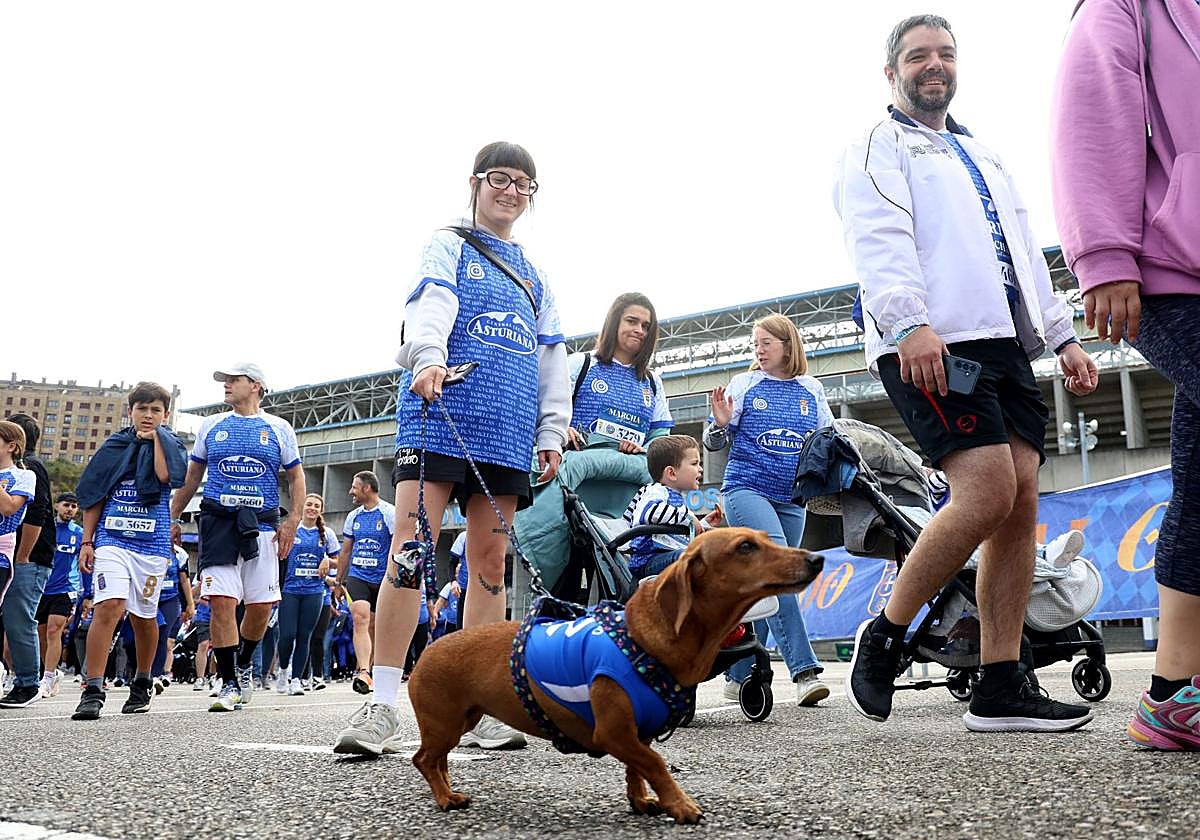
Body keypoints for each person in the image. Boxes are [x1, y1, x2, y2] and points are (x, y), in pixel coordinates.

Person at [833, 14, 1100, 732]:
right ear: (892, 73)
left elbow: (1020, 250)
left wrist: (1063, 335)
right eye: (918, 56)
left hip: (1006, 345)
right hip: (932, 341)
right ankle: (887, 634)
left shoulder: (984, 155)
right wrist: (907, 322)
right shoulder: (876, 147)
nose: (934, 65)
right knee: (983, 492)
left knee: (1018, 505)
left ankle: (1000, 681)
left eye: (945, 55)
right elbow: (878, 239)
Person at [333, 140, 570, 755]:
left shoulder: (537, 276)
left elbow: (551, 359)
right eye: (500, 178)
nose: (511, 190)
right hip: (440, 413)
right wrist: (429, 356)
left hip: (507, 431)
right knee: (409, 553)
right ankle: (382, 703)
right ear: (474, 182)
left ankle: (482, 703)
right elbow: (431, 303)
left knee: (489, 566)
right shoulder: (448, 244)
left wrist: (550, 429)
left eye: (524, 183)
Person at [1050, 0, 1200, 749]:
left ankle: (1173, 695)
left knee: (1199, 487)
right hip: (1176, 272)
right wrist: (1104, 254)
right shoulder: (1125, 6)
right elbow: (1093, 116)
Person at [704, 314, 834, 706]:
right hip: (746, 490)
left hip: (793, 500)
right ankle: (805, 672)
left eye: (766, 343)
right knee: (780, 574)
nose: (758, 350)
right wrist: (720, 424)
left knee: (761, 586)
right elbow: (712, 442)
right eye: (755, 343)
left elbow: (828, 439)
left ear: (788, 346)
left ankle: (741, 670)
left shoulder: (811, 389)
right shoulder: (745, 384)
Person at [170, 363, 305, 713]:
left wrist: (292, 521)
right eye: (224, 381)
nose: (226, 386)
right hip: (217, 521)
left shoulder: (278, 428)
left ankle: (243, 662)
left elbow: (296, 478)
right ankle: (228, 681)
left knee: (260, 607)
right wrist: (171, 516)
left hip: (261, 524)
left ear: (256, 386)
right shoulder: (211, 425)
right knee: (221, 601)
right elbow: (192, 476)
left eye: (233, 380)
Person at [71, 382, 188, 719]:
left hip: (151, 546)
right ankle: (93, 688)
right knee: (109, 606)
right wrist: (87, 541)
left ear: (165, 415)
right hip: (111, 540)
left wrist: (157, 441)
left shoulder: (171, 443)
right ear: (130, 411)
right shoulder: (115, 445)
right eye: (142, 409)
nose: (148, 415)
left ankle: (142, 680)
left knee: (144, 617)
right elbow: (94, 495)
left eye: (155, 410)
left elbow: (168, 476)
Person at [567, 292, 672, 453]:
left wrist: (643, 450)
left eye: (645, 326)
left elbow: (660, 436)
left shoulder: (652, 382)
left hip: (630, 476)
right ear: (614, 322)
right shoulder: (580, 364)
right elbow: (548, 410)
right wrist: (561, 431)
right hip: (577, 473)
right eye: (632, 321)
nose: (639, 330)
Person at [0, 414, 54, 709]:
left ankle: (27, 683)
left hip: (27, 555)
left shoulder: (29, 469)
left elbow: (37, 513)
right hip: (12, 554)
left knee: (18, 617)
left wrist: (23, 555)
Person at [622, 435, 721, 581]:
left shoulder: (678, 501)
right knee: (697, 556)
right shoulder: (655, 491)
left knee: (702, 555)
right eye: (694, 464)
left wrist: (702, 524)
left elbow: (680, 533)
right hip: (650, 561)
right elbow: (650, 512)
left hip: (668, 556)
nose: (700, 469)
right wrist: (689, 518)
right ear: (671, 473)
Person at [335, 471, 395, 695]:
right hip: (358, 576)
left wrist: (393, 577)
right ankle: (362, 671)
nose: (351, 491)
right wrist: (339, 582)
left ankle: (373, 671)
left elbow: (397, 547)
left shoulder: (389, 513)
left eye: (354, 487)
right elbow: (346, 550)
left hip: (383, 579)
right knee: (360, 619)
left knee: (375, 626)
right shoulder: (353, 517)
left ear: (366, 488)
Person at [276, 493, 340, 695]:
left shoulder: (326, 534)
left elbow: (338, 560)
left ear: (321, 510)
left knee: (305, 636)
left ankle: (296, 680)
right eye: (309, 504)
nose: (312, 508)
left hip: (314, 591)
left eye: (317, 506)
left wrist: (328, 562)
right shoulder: (292, 529)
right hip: (289, 590)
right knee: (286, 636)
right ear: (302, 507)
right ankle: (283, 670)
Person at [35, 493, 84, 697]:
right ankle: (51, 672)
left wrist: (87, 594)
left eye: (74, 506)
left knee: (54, 631)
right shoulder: (45, 530)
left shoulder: (79, 533)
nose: (70, 509)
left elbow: (85, 564)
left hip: (65, 590)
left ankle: (46, 678)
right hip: (41, 587)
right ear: (56, 506)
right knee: (41, 635)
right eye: (66, 505)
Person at [152, 544, 195, 692]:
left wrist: (189, 604)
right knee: (146, 636)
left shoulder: (180, 554)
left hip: (171, 598)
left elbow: (184, 580)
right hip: (150, 597)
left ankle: (158, 674)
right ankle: (142, 671)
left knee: (165, 638)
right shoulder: (150, 546)